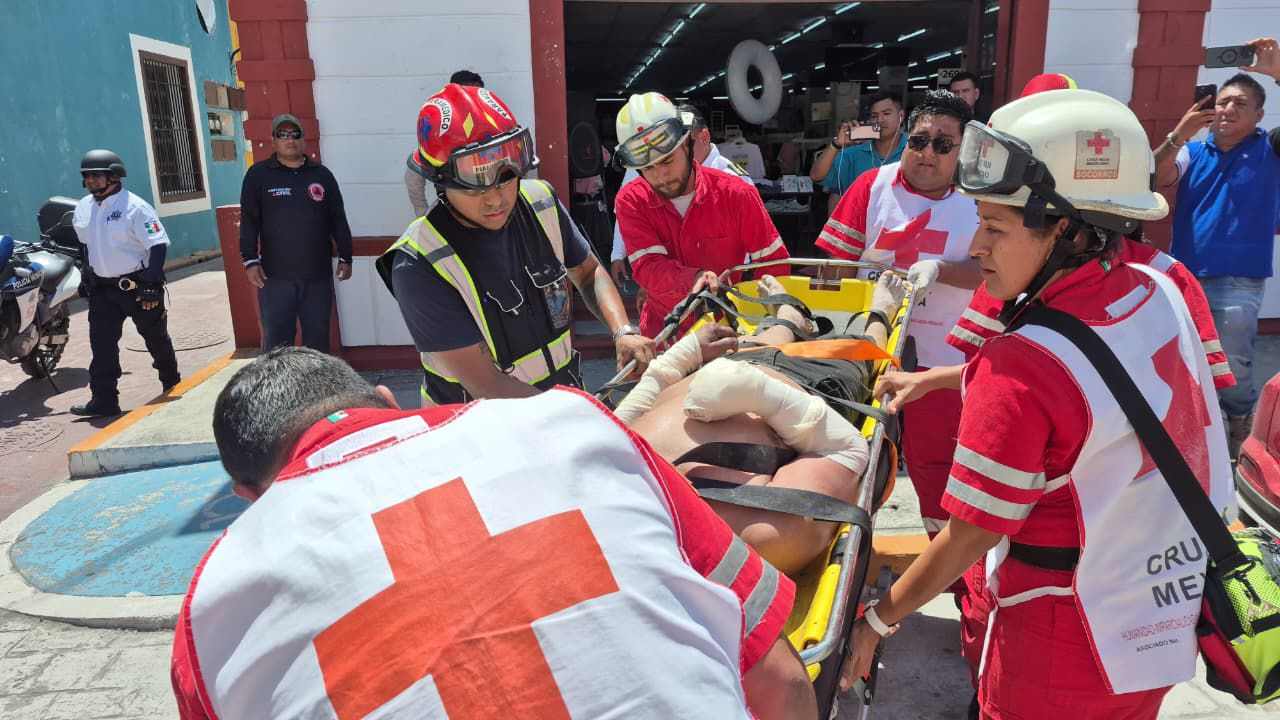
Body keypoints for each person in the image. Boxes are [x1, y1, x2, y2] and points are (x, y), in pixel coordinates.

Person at [838, 88, 1235, 719]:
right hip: (1163, 623)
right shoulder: (1160, 287)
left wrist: (877, 621)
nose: (976, 248)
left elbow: (972, 534)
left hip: (1058, 645)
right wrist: (944, 382)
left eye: (993, 227)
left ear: (1070, 228)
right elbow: (1090, 403)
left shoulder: (1019, 362)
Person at [171, 347, 816, 719]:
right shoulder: (572, 424)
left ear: (247, 498)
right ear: (388, 402)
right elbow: (778, 678)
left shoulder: (212, 606)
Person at [377, 84, 654, 406]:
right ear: (440, 182)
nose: (495, 199)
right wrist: (577, 414)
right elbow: (484, 382)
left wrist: (623, 331)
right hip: (478, 434)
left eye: (505, 179)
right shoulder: (420, 263)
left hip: (562, 405)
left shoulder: (540, 201)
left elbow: (589, 273)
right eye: (474, 189)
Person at [613, 273, 906, 574]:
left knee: (764, 339)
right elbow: (847, 450)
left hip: (731, 361)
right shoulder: (764, 532)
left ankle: (787, 320)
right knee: (864, 351)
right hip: (816, 387)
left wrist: (677, 360)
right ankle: (879, 315)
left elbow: (626, 414)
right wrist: (759, 393)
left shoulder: (601, 462)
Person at [815, 90, 980, 542]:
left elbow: (994, 271)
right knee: (851, 458)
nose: (927, 153)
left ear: (962, 150)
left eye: (943, 145)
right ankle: (847, 562)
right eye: (919, 140)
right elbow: (831, 268)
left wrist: (942, 269)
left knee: (936, 466)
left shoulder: (979, 199)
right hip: (867, 353)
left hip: (942, 359)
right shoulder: (872, 185)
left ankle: (950, 570)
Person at [1154, 37, 1280, 457]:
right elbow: (1155, 177)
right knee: (1180, 357)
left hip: (1238, 281)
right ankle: (1189, 432)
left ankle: (1238, 425)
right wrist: (1177, 134)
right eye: (1223, 101)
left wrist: (1277, 72)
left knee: (1232, 364)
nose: (1228, 109)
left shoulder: (1270, 150)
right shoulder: (1191, 151)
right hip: (1183, 276)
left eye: (1241, 104)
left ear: (1259, 115)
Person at [614, 92, 791, 340]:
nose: (661, 176)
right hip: (664, 336)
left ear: (687, 142)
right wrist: (694, 278)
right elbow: (648, 267)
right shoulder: (631, 200)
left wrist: (765, 330)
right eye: (648, 168)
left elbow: (773, 266)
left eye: (667, 160)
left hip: (730, 334)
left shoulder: (736, 193)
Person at [69, 149, 180, 417]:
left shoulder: (136, 207)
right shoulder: (83, 207)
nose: (91, 181)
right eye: (87, 177)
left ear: (114, 176)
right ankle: (104, 399)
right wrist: (85, 275)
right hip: (102, 290)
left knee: (156, 339)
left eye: (97, 176)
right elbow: (85, 245)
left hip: (137, 288)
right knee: (102, 346)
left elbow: (157, 245)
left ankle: (172, 387)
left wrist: (153, 281)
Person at [239, 114, 353, 353]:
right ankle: (279, 391)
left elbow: (338, 218)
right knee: (277, 343)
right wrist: (250, 259)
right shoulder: (258, 175)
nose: (289, 140)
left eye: (295, 134)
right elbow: (249, 220)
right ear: (273, 141)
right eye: (282, 135)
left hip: (317, 276)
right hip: (275, 278)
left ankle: (316, 390)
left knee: (318, 340)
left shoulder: (322, 176)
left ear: (303, 140)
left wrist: (346, 256)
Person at [610, 103, 754, 288]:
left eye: (685, 143)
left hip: (725, 292)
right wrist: (617, 255)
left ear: (703, 137)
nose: (660, 172)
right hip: (669, 291)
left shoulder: (735, 183)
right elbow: (627, 218)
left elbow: (755, 254)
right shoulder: (643, 173)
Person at [809, 92, 908, 214]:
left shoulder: (915, 150)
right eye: (874, 116)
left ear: (901, 115)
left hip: (903, 229)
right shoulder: (853, 154)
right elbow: (816, 176)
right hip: (860, 228)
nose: (880, 120)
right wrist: (836, 144)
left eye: (886, 113)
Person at [405, 70, 485, 218]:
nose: (471, 100)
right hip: (454, 211)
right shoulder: (444, 129)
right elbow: (414, 173)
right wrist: (423, 214)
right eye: (467, 94)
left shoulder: (492, 125)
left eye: (476, 94)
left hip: (491, 207)